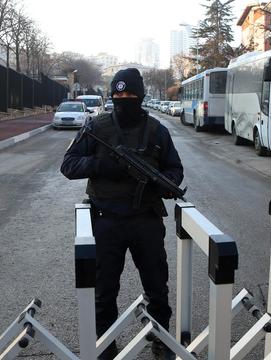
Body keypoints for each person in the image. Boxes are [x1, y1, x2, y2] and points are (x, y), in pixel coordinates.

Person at [60, 68, 184, 360]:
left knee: (157, 286)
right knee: (104, 291)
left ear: (140, 96)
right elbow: (69, 166)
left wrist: (164, 184)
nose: (123, 100)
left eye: (129, 95)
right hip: (105, 219)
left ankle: (161, 340)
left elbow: (174, 170)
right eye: (117, 95)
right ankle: (106, 345)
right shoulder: (96, 128)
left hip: (146, 219)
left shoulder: (157, 131)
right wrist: (103, 166)